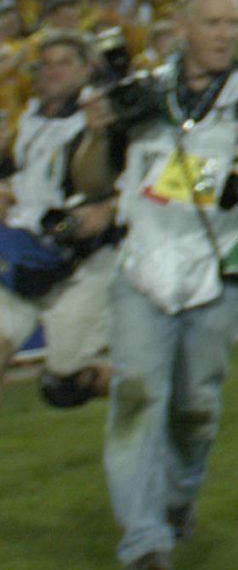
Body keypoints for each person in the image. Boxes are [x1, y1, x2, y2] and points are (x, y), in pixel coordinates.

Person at [67, 0, 238, 570]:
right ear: (182, 28)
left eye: (235, 23)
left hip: (222, 271)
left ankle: (177, 498)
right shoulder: (143, 93)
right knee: (135, 399)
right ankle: (145, 546)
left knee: (194, 407)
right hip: (143, 267)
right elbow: (93, 181)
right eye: (213, 23)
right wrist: (98, 131)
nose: (227, 34)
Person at [0, 30, 119, 412]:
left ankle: (147, 381)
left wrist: (111, 208)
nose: (52, 72)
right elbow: (14, 172)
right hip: (25, 252)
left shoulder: (107, 116)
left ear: (86, 68)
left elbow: (141, 176)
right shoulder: (28, 119)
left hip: (82, 261)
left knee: (63, 386)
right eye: (45, 64)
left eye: (64, 62)